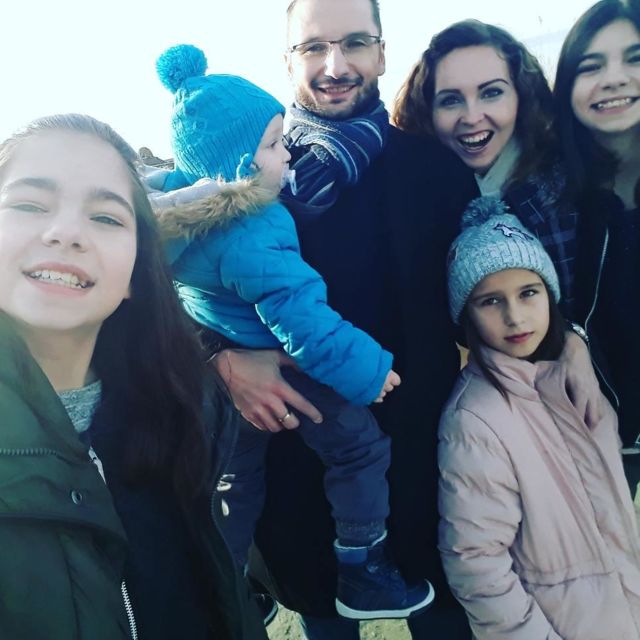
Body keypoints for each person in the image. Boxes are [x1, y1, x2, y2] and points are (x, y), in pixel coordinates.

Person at [208, 1, 478, 638]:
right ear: (287, 61)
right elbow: (179, 291)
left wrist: (568, 340)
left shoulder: (437, 169)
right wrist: (215, 359)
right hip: (297, 475)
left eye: (355, 43)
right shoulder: (246, 181)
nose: (336, 66)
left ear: (382, 53)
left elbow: (491, 289)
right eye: (313, 47)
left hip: (430, 468)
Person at [152, 43, 435, 622]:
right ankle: (362, 567)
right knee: (359, 449)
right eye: (275, 145)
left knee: (235, 481)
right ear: (241, 166)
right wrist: (369, 372)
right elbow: (303, 319)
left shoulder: (177, 226)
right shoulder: (255, 231)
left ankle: (221, 587)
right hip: (288, 367)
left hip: (225, 396)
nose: (287, 155)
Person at [0, 113, 266, 640]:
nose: (67, 233)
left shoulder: (184, 414)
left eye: (106, 217)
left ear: (134, 274)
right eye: (29, 205)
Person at [439, 194, 640, 639]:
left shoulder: (578, 382)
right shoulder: (475, 420)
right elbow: (477, 565)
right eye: (490, 301)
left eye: (528, 293)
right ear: (465, 313)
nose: (514, 317)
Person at [392, 19, 579, 315]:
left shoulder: (562, 190)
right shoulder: (413, 200)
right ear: (428, 111)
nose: (472, 117)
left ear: (521, 96)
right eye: (451, 100)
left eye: (491, 93)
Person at [554, 0, 640, 496]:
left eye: (635, 58)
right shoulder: (551, 195)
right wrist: (572, 337)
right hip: (596, 436)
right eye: (591, 66)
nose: (614, 79)